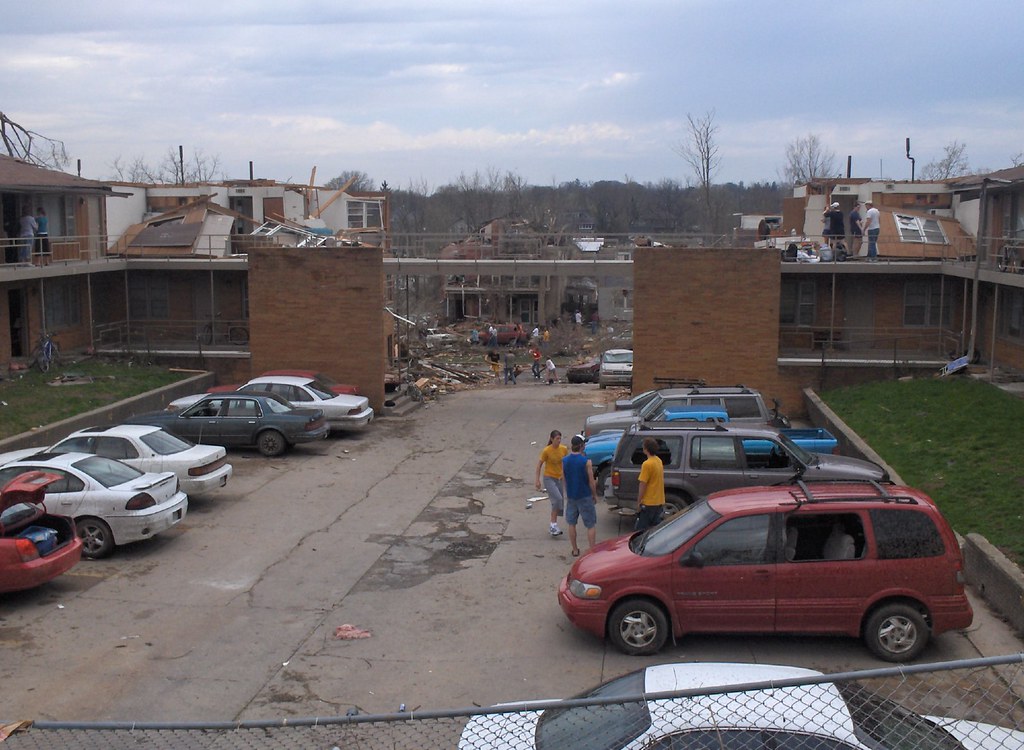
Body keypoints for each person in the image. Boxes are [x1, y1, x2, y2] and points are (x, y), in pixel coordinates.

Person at [562, 435, 598, 556]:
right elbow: (591, 481)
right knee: (590, 525)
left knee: (571, 523)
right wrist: (594, 495)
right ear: (582, 446)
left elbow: (564, 478)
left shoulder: (565, 461)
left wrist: (567, 492)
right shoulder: (586, 462)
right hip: (585, 495)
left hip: (572, 496)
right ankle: (592, 551)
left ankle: (575, 549)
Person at [534, 430, 567, 537]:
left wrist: (565, 475)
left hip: (559, 479)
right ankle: (552, 525)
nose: (559, 440)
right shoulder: (547, 451)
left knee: (559, 502)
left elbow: (565, 463)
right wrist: (537, 480)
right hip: (549, 478)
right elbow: (539, 465)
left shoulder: (563, 449)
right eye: (557, 438)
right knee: (558, 499)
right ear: (552, 439)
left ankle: (554, 525)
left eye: (560, 438)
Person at [635, 437, 665, 532]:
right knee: (655, 529)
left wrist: (639, 502)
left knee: (640, 530)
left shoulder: (647, 464)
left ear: (646, 449)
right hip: (659, 500)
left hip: (648, 502)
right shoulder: (658, 461)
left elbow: (643, 484)